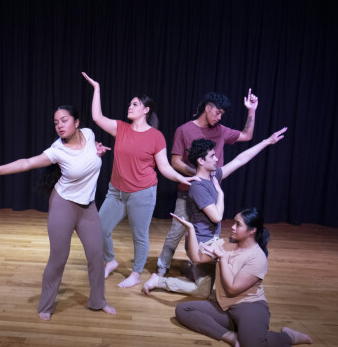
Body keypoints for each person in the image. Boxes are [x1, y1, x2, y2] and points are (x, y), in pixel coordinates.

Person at [0, 105, 116, 321]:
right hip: (64, 205)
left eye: (64, 120)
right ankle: (46, 305)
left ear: (77, 122)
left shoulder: (89, 135)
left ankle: (98, 301)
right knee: (59, 258)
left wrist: (98, 151)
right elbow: (27, 163)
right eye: (56, 122)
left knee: (97, 256)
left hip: (87, 207)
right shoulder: (57, 150)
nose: (59, 125)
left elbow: (90, 156)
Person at [143, 127, 287, 298]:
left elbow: (240, 160)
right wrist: (221, 194)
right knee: (221, 273)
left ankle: (195, 274)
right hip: (202, 245)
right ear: (201, 161)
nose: (216, 158)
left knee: (204, 289)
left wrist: (267, 141)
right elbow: (217, 217)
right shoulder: (198, 187)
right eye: (212, 156)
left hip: (212, 241)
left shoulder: (213, 176)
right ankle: (159, 281)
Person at [82, 72, 195, 289]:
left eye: (135, 104)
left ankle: (136, 274)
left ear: (146, 110)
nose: (130, 107)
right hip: (116, 191)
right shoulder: (121, 128)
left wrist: (182, 177)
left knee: (139, 236)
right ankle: (110, 261)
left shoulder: (156, 136)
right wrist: (96, 88)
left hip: (142, 193)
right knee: (100, 228)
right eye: (130, 104)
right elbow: (97, 117)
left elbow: (164, 167)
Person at [170, 208, 312, 347]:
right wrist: (191, 230)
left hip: (249, 306)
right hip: (224, 308)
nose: (232, 227)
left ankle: (288, 336)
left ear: (252, 230)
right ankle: (231, 335)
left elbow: (232, 289)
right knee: (184, 310)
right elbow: (197, 257)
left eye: (238, 224)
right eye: (234, 223)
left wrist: (223, 259)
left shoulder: (257, 258)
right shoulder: (225, 244)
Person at [157, 91, 259, 276]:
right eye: (217, 113)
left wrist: (251, 110)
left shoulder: (221, 131)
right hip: (187, 191)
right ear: (207, 108)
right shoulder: (184, 130)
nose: (219, 117)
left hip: (209, 195)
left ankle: (196, 268)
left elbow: (246, 135)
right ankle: (162, 267)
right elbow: (175, 161)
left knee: (203, 234)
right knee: (176, 232)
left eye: (222, 114)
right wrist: (197, 175)